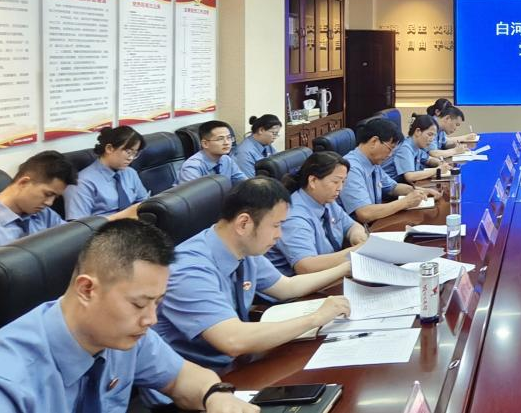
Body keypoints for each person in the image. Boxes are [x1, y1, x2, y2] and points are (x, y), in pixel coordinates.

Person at [0, 220, 258, 413]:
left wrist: (216, 395)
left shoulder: (122, 335)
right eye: (139, 304)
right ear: (87, 289)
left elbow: (182, 377)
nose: (151, 319)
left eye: (157, 303)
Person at [154, 177, 351, 371]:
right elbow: (233, 340)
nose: (279, 235)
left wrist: (346, 268)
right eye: (276, 225)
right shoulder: (189, 270)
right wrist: (316, 318)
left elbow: (287, 287)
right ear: (244, 223)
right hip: (200, 379)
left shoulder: (242, 247)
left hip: (237, 364)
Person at [268, 152, 369, 276]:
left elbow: (351, 225)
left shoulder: (325, 200)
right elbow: (305, 266)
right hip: (302, 284)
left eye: (343, 182)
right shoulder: (293, 217)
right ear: (313, 181)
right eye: (335, 182)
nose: (340, 188)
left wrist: (357, 235)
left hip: (329, 275)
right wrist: (356, 251)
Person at [0, 151, 77, 259]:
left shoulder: (43, 213)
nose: (50, 203)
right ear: (24, 182)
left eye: (55, 197)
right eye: (47, 194)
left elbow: (72, 238)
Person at [340, 118, 430, 224]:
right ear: (374, 141)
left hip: (376, 223)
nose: (390, 155)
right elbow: (365, 213)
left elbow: (392, 187)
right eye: (390, 149)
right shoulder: (351, 168)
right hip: (359, 230)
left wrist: (418, 191)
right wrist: (406, 202)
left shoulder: (373, 162)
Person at [65, 126, 150, 220]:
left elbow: (144, 202)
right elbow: (80, 226)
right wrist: (124, 215)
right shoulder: (81, 183)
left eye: (135, 153)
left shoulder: (130, 173)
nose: (131, 158)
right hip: (105, 228)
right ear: (109, 148)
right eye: (128, 152)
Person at [177, 121, 249, 186]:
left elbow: (244, 183)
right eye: (220, 139)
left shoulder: (226, 160)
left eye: (229, 138)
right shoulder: (192, 167)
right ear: (205, 144)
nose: (227, 142)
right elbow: (193, 195)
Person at [385, 115, 451, 184]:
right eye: (430, 134)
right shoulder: (405, 148)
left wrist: (440, 163)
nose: (432, 139)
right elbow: (410, 176)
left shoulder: (416, 147)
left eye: (434, 136)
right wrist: (438, 170)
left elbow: (428, 159)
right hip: (390, 188)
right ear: (418, 131)